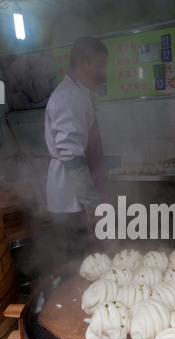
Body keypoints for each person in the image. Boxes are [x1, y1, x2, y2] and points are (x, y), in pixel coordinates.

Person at [45, 36, 108, 267]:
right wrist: (90, 202)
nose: (104, 74)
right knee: (76, 262)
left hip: (78, 201)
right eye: (100, 65)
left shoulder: (78, 94)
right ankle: (71, 300)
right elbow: (71, 153)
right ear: (83, 63)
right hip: (72, 204)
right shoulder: (69, 96)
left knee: (86, 259)